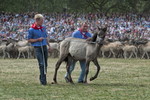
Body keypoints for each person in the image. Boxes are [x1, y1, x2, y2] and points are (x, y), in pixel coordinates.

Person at [27, 14, 51, 85]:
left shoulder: (43, 28)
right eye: (41, 20)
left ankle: (43, 77)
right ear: (37, 20)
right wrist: (37, 39)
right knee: (41, 64)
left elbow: (46, 37)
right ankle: (43, 81)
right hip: (37, 47)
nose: (43, 21)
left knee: (45, 64)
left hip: (44, 46)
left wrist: (49, 46)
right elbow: (29, 40)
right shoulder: (31, 29)